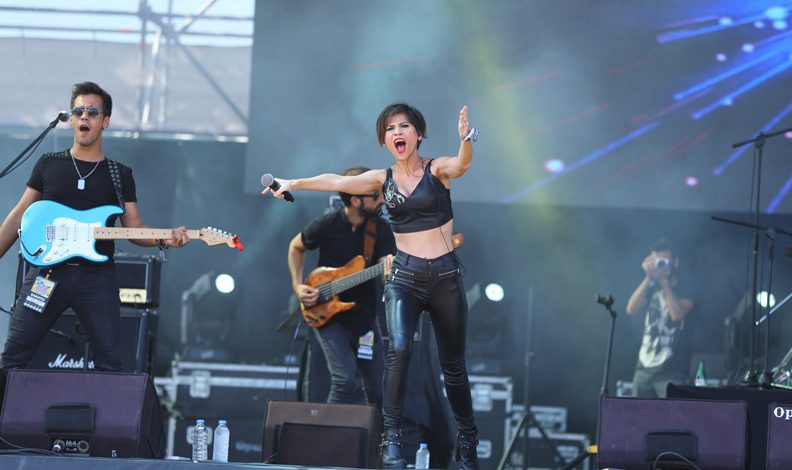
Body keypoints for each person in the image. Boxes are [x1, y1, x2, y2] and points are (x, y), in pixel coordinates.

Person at [263, 102, 480, 469]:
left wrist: (467, 139)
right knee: (398, 349)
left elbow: (462, 165)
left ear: (418, 134)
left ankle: (468, 438)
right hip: (405, 278)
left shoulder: (437, 169)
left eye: (404, 126)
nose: (397, 132)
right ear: (384, 140)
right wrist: (293, 183)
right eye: (390, 128)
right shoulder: (381, 180)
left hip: (444, 276)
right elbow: (335, 181)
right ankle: (391, 438)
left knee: (453, 367)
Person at [0, 81, 190, 374]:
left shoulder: (119, 174)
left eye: (92, 112)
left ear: (105, 121)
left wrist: (165, 238)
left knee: (109, 364)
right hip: (47, 273)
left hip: (96, 278)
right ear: (71, 119)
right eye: (78, 111)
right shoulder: (49, 164)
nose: (84, 117)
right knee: (12, 357)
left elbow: (134, 228)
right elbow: (18, 216)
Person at [288, 166, 396, 407]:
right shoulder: (326, 224)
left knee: (380, 390)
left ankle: (378, 432)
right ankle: (328, 430)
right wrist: (297, 285)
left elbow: (383, 271)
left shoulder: (381, 228)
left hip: (364, 318)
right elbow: (296, 247)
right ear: (356, 200)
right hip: (327, 316)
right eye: (375, 194)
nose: (382, 199)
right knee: (345, 381)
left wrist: (389, 273)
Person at [626, 238, 695, 398]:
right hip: (643, 369)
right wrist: (649, 277)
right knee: (639, 414)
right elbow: (631, 309)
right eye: (656, 261)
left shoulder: (688, 288)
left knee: (670, 414)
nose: (660, 265)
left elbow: (677, 316)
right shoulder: (651, 287)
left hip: (672, 373)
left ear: (675, 262)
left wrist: (664, 282)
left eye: (663, 261)